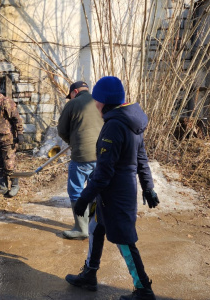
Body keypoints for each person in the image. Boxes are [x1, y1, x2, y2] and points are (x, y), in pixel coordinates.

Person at [72, 76, 160, 300]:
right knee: (96, 228)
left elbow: (104, 173)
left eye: (97, 100)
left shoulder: (114, 126)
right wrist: (148, 188)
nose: (95, 104)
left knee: (124, 240)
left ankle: (143, 289)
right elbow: (142, 160)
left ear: (105, 101)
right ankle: (89, 274)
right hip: (114, 193)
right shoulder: (131, 121)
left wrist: (84, 197)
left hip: (116, 194)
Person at [57, 81, 103, 239]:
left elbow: (62, 130)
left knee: (76, 190)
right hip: (101, 155)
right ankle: (94, 226)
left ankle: (81, 229)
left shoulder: (73, 104)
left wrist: (73, 142)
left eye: (70, 95)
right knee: (94, 189)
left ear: (74, 92)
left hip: (81, 155)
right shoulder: (100, 101)